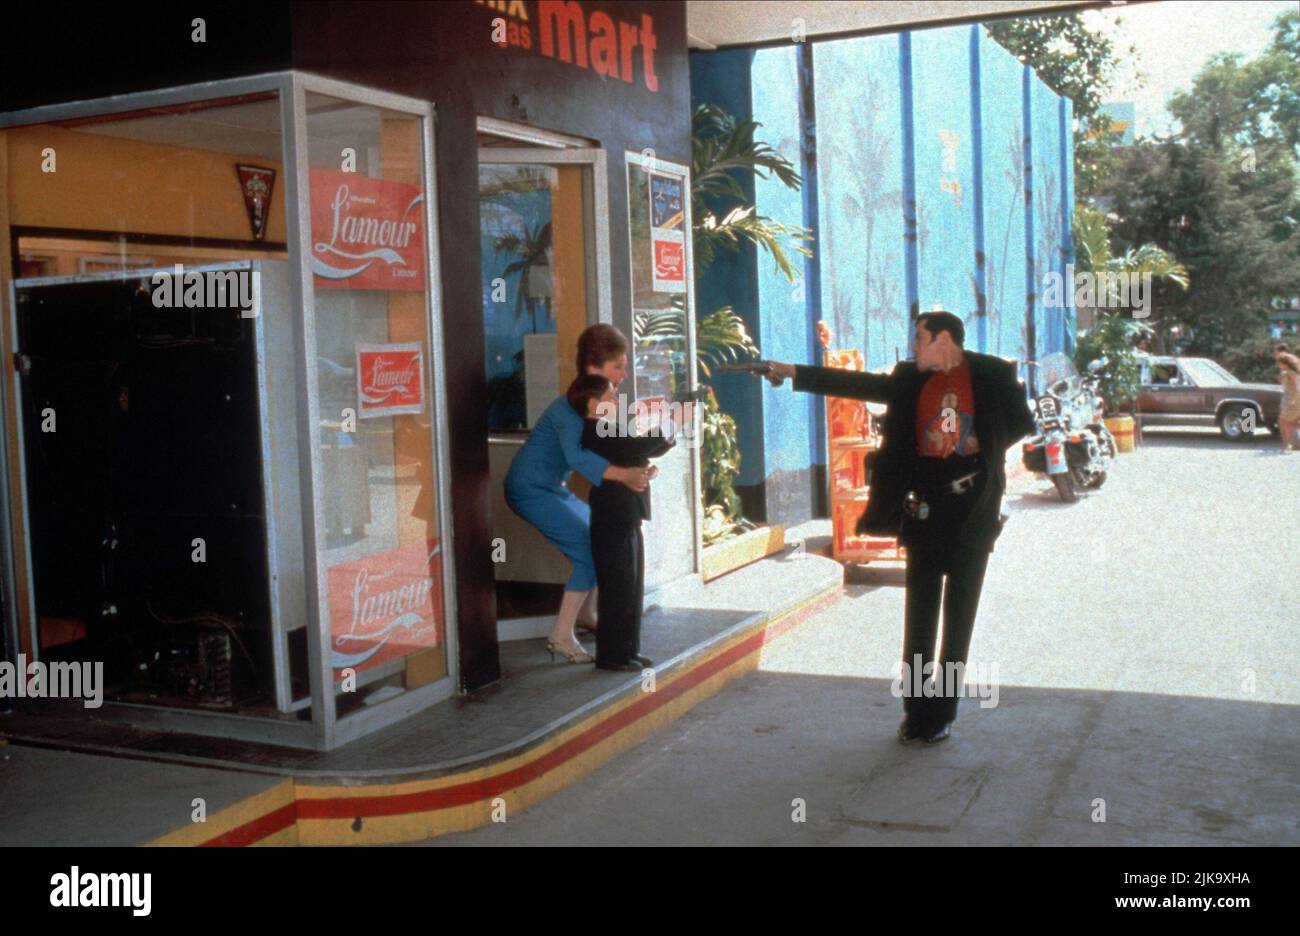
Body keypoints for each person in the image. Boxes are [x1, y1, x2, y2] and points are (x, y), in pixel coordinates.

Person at [760, 308, 1036, 744]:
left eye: (919, 340)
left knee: (959, 617)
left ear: (943, 340)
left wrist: (984, 442)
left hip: (973, 512)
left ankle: (943, 712)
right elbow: (860, 384)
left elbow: (1024, 421)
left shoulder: (991, 373)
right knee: (920, 615)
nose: (913, 349)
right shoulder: (909, 377)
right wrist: (792, 370)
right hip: (925, 509)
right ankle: (915, 711)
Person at [504, 325, 650, 664]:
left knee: (598, 542)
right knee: (588, 550)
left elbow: (611, 448)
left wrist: (638, 466)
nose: (624, 376)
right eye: (618, 367)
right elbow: (577, 458)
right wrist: (625, 475)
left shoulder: (599, 404)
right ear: (594, 369)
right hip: (531, 490)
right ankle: (561, 635)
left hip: (555, 489)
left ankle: (586, 615)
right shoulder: (570, 409)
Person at [568, 374, 680, 671]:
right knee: (618, 587)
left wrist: (647, 467)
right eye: (610, 396)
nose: (616, 401)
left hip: (626, 513)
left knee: (630, 586)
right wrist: (671, 421)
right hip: (612, 515)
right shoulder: (594, 429)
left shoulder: (606, 429)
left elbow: (639, 452)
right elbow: (637, 447)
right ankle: (613, 656)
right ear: (593, 403)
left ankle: (628, 650)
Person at [1275, 348, 1300, 453]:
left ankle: (1286, 446)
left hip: (1293, 400)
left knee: (1282, 422)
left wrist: (1294, 400)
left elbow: (1297, 387)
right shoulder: (1288, 373)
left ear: (1285, 364)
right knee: (1290, 422)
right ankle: (1287, 446)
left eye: (1279, 363)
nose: (1278, 365)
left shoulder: (1290, 373)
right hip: (1291, 400)